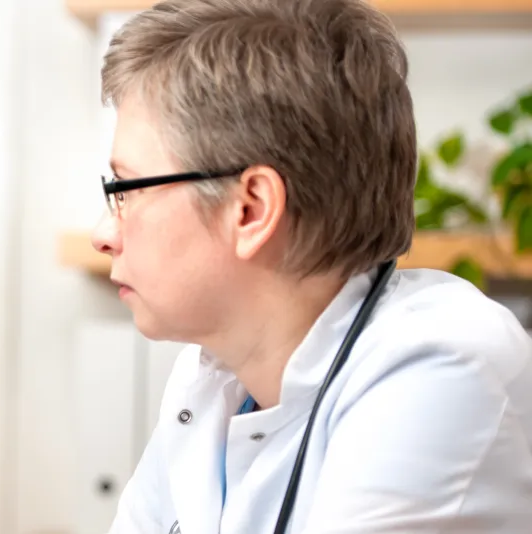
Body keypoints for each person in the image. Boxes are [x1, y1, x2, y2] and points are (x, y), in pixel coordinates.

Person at [89, 0, 532, 532]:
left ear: (250, 209)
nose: (104, 234)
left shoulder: (444, 363)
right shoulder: (212, 376)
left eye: (125, 190)